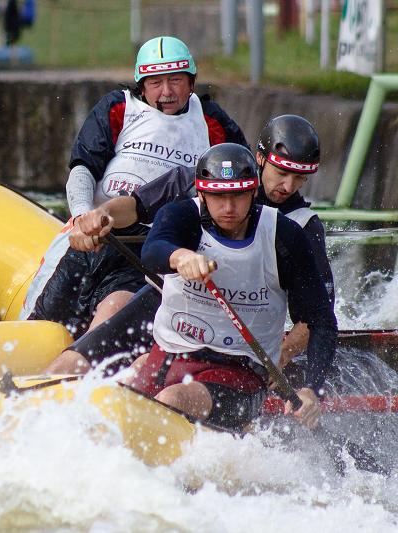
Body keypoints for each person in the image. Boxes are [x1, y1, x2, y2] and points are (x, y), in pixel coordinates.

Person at [49, 114, 332, 374]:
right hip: (169, 302)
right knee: (78, 359)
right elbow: (135, 207)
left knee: (145, 370)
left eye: (299, 178)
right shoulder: (203, 176)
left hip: (234, 335)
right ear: (260, 158)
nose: (288, 186)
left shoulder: (301, 227)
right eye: (281, 173)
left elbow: (318, 314)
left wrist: (280, 358)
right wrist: (99, 217)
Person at [21, 35, 247, 339]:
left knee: (106, 322)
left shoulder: (212, 121)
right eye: (156, 83)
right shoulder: (118, 107)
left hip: (150, 248)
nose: (166, 92)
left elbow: (240, 180)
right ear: (142, 86)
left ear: (191, 83)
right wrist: (82, 217)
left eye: (176, 80)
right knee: (44, 323)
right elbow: (83, 167)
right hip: (95, 232)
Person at [124, 143, 336, 430]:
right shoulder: (181, 215)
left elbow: (322, 320)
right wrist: (180, 256)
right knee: (126, 384)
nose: (228, 208)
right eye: (218, 196)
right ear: (202, 194)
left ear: (253, 192)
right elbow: (152, 251)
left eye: (238, 196)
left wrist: (312, 389)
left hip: (241, 374)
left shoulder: (285, 236)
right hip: (171, 355)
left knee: (171, 399)